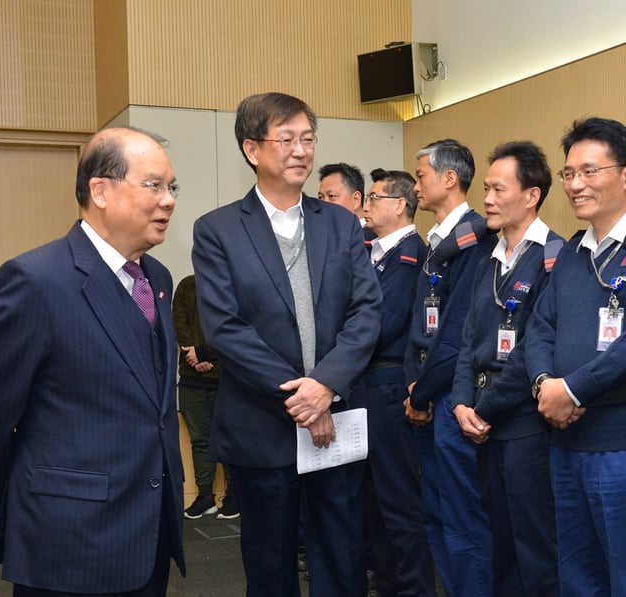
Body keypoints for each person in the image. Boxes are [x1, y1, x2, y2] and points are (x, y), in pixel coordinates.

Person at [192, 92, 382, 597]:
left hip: (336, 422)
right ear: (253, 149)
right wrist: (301, 398)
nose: (301, 150)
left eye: (308, 139)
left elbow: (367, 312)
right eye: (287, 139)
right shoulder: (217, 230)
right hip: (263, 425)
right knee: (271, 565)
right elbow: (225, 330)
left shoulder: (340, 222)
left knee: (341, 559)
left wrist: (325, 385)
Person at [0, 126, 185, 595]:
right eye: (154, 185)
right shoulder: (34, 280)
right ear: (100, 190)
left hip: (149, 532)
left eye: (172, 187)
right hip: (68, 539)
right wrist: (32, 500)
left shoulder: (156, 277)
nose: (169, 200)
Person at [523, 117, 626, 595]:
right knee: (577, 578)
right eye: (569, 173)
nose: (576, 185)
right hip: (565, 444)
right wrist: (543, 386)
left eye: (589, 172)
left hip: (623, 447)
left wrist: (572, 389)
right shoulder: (573, 251)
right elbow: (539, 327)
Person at [451, 141, 563, 596]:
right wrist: (461, 402)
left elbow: (533, 349)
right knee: (498, 539)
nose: (487, 199)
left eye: (499, 189)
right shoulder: (488, 260)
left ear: (531, 195)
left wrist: (486, 410)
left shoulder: (554, 258)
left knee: (535, 543)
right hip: (482, 416)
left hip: (522, 421)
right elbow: (467, 340)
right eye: (487, 189)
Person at [403, 139, 497, 596]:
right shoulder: (436, 242)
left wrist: (420, 394)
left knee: (463, 517)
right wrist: (412, 387)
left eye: (420, 176)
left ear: (448, 178)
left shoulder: (477, 240)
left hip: (452, 399)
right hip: (425, 395)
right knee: (435, 512)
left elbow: (458, 334)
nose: (415, 185)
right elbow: (418, 326)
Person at [354, 167, 435, 596]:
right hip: (362, 384)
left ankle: (413, 588)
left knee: (398, 499)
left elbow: (384, 324)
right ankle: (386, 583)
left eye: (375, 197)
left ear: (400, 205)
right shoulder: (373, 251)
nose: (367, 205)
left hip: (386, 384)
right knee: (372, 501)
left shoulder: (409, 255)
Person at [172, 274, 238, 520]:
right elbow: (178, 322)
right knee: (200, 440)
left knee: (230, 438)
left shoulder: (235, 284)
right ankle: (205, 496)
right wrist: (194, 354)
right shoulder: (187, 284)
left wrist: (204, 352)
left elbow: (235, 328)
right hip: (191, 378)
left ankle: (234, 494)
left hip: (228, 378)